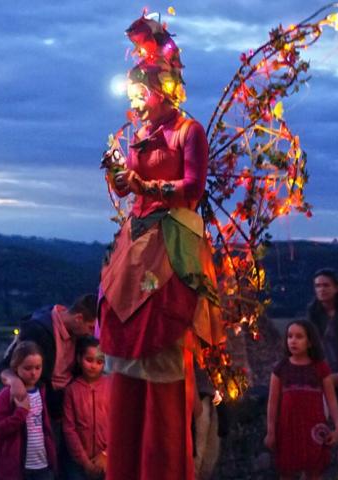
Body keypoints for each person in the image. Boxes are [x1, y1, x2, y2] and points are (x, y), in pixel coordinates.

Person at [98, 14, 223, 480]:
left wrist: (145, 181)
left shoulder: (189, 132)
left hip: (172, 240)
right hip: (138, 239)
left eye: (142, 95)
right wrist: (119, 176)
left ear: (162, 89)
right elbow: (129, 190)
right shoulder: (140, 136)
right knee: (125, 342)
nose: (137, 104)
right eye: (133, 97)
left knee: (162, 339)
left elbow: (193, 188)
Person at [264, 320, 338, 480]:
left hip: (314, 427)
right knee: (286, 472)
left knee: (313, 472)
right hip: (287, 428)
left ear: (310, 341)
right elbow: (272, 404)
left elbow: (331, 399)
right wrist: (271, 431)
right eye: (290, 336)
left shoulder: (320, 368)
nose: (293, 340)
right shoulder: (280, 369)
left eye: (299, 336)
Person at [0, 341, 57, 480]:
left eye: (38, 368)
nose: (33, 373)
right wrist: (20, 413)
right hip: (18, 470)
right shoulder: (6, 395)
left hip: (43, 466)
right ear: (16, 368)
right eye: (28, 368)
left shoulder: (41, 391)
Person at [62, 337, 109, 480]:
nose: (93, 366)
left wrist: (105, 454)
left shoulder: (112, 386)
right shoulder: (72, 390)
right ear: (78, 358)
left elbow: (120, 425)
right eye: (89, 360)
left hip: (108, 462)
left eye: (99, 362)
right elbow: (69, 429)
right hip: (79, 464)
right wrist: (85, 462)